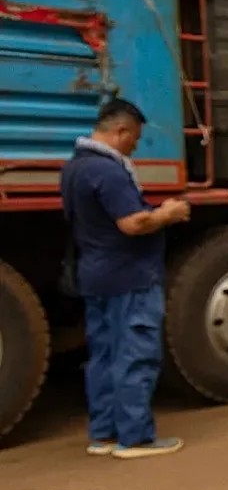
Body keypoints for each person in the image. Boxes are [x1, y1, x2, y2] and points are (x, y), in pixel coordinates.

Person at [61, 98, 190, 459]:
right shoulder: (108, 171)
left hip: (96, 274)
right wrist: (168, 213)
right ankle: (135, 438)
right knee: (135, 353)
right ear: (120, 131)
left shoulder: (74, 168)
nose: (136, 145)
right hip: (128, 276)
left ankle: (103, 434)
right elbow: (133, 223)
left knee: (103, 356)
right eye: (134, 138)